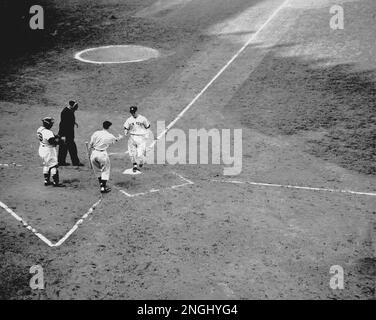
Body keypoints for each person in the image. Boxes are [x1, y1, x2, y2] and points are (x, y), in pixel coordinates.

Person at [88, 121, 123, 193]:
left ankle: (101, 184)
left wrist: (90, 153)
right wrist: (120, 137)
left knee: (97, 171)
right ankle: (103, 187)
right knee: (105, 171)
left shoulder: (96, 133)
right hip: (102, 154)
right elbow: (115, 140)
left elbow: (90, 144)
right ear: (109, 127)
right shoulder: (110, 136)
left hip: (94, 153)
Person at [37, 117, 65, 187]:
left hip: (42, 149)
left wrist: (56, 136)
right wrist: (61, 141)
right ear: (48, 124)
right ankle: (56, 182)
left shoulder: (40, 129)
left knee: (46, 164)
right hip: (49, 150)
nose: (52, 125)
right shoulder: (48, 132)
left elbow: (50, 136)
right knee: (53, 165)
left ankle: (46, 180)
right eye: (51, 124)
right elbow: (52, 141)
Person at [123, 106, 151, 172]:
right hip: (132, 137)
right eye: (131, 112)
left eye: (134, 112)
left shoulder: (142, 118)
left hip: (141, 138)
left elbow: (148, 126)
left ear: (136, 111)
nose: (132, 113)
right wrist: (126, 131)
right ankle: (134, 165)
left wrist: (147, 134)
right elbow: (126, 127)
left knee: (140, 154)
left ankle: (141, 161)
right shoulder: (129, 120)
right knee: (132, 153)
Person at [58, 100, 84, 167]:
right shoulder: (65, 112)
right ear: (72, 106)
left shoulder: (69, 110)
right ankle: (75, 162)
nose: (75, 110)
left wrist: (74, 122)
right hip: (66, 134)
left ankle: (61, 162)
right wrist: (63, 136)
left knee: (64, 147)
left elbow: (68, 120)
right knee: (71, 148)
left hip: (68, 134)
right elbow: (63, 124)